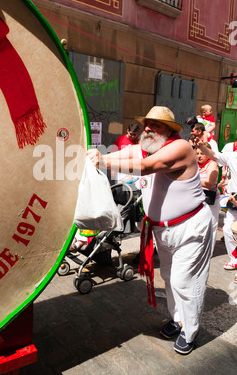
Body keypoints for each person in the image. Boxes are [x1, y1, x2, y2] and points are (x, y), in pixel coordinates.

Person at [87, 106, 213, 355]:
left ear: (168, 130)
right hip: (163, 231)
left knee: (184, 281)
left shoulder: (180, 148)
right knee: (169, 277)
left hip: (190, 229)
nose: (146, 128)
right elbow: (126, 154)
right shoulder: (146, 146)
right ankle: (178, 320)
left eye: (154, 125)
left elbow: (144, 166)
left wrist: (103, 161)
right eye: (146, 124)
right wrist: (96, 154)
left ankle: (190, 330)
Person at [195, 139, 237, 270]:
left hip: (219, 199)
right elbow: (214, 155)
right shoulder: (232, 156)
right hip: (233, 197)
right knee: (227, 230)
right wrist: (202, 146)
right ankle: (234, 259)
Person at [196, 143, 220, 250]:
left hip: (211, 200)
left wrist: (194, 181)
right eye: (197, 153)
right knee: (198, 225)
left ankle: (209, 251)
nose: (199, 156)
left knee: (211, 226)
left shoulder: (212, 165)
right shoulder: (196, 164)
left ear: (208, 154)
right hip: (198, 199)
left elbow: (210, 184)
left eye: (202, 153)